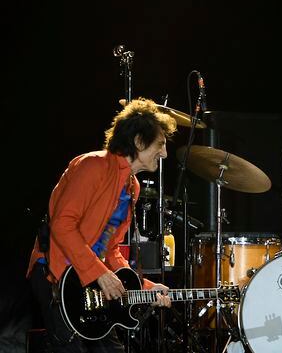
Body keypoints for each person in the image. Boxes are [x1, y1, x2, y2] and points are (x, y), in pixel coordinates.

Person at [26, 98, 177, 352]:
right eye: (160, 144)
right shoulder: (93, 165)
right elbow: (62, 224)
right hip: (54, 275)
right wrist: (98, 272)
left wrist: (146, 287)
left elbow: (110, 249)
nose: (164, 153)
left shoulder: (132, 187)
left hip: (87, 280)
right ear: (139, 141)